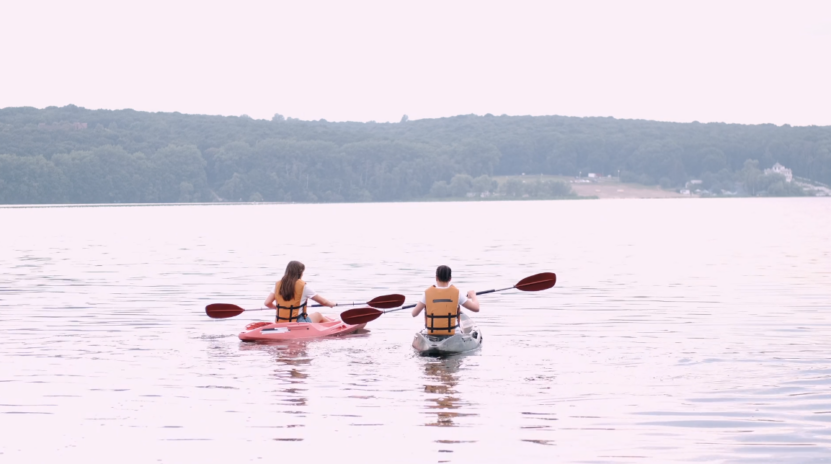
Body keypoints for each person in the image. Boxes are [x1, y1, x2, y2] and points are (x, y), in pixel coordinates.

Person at [411, 265, 479, 336]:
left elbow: (414, 314)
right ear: (450, 279)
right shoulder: (457, 293)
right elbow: (476, 308)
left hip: (431, 333)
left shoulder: (427, 294)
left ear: (436, 278)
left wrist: (424, 303)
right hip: (453, 334)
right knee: (462, 327)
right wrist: (473, 295)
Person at [264, 261, 336, 323]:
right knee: (318, 315)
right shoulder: (303, 287)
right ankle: (336, 327)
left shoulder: (278, 285)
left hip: (281, 322)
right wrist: (331, 304)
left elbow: (267, 303)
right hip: (298, 323)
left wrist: (279, 308)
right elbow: (324, 302)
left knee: (314, 316)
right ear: (300, 273)